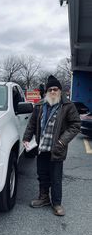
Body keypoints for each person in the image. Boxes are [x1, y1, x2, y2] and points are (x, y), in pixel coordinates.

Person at [23, 75, 81, 216]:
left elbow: (75, 125)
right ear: (46, 91)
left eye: (56, 89)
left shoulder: (67, 106)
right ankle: (44, 198)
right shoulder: (40, 105)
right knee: (42, 174)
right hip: (42, 147)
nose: (53, 91)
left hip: (57, 148)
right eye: (50, 89)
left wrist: (62, 141)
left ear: (60, 91)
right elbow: (32, 124)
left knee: (56, 177)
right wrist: (26, 138)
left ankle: (57, 203)